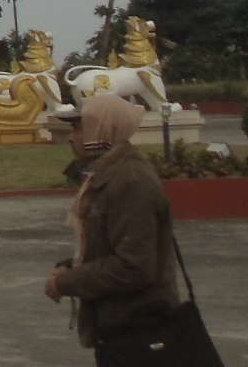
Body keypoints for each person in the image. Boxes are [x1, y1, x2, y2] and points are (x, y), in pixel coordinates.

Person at [44, 94, 181, 358]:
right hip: (121, 326)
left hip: (141, 327)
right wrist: (69, 266)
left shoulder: (129, 182)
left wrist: (68, 282)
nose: (72, 137)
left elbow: (135, 266)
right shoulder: (110, 175)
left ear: (105, 130)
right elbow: (108, 245)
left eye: (79, 128)